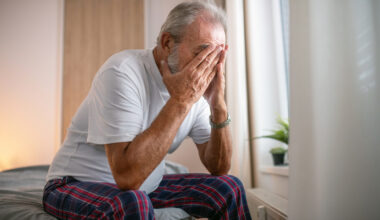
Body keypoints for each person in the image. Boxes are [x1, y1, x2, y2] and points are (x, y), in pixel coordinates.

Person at [43, 1, 252, 219]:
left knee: (229, 188)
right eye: (202, 53)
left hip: (146, 188)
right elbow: (127, 178)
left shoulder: (197, 87)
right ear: (167, 42)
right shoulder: (122, 72)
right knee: (133, 203)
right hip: (74, 183)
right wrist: (181, 100)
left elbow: (219, 168)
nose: (209, 65)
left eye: (217, 56)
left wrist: (218, 104)